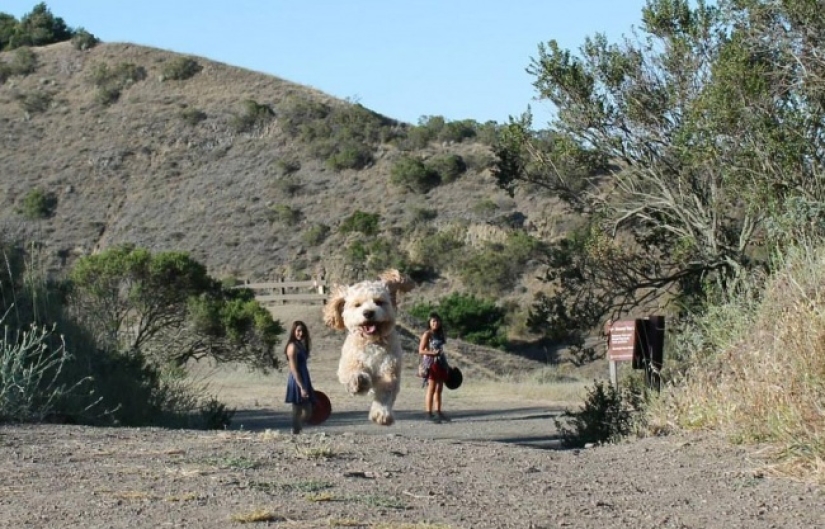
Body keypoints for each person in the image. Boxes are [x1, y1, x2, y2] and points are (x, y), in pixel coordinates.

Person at [284, 320, 316, 434]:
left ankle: (296, 428)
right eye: (298, 331)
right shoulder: (292, 347)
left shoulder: (300, 345)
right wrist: (302, 386)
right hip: (297, 379)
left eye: (303, 331)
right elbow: (293, 369)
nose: (301, 333)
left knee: (307, 410)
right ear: (294, 331)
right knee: (298, 409)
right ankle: (295, 431)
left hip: (304, 377)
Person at [418, 312, 450, 423]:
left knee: (439, 388)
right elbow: (421, 350)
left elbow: (442, 350)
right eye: (433, 321)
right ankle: (428, 413)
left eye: (437, 321)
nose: (436, 323)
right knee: (431, 388)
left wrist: (447, 365)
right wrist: (432, 353)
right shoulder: (427, 334)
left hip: (441, 362)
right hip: (431, 363)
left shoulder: (440, 334)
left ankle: (438, 412)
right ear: (430, 323)